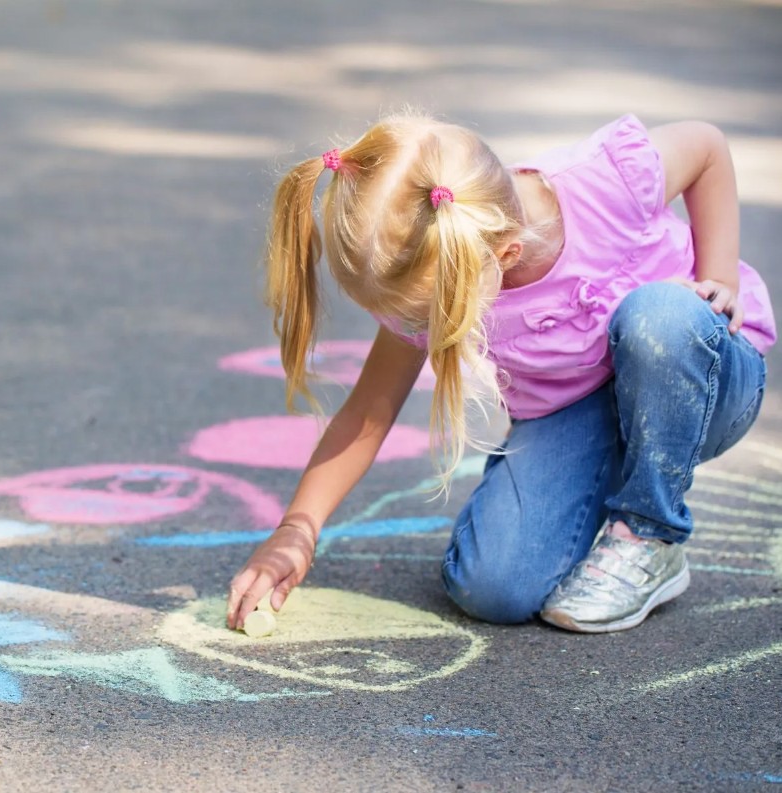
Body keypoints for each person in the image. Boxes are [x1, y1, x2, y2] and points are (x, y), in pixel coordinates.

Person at [225, 113, 774, 634]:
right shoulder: (442, 258)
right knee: (492, 589)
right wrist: (297, 528)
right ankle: (611, 491)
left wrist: (718, 278)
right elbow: (369, 411)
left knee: (660, 317)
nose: (421, 328)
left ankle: (651, 534)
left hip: (703, 381)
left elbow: (705, 146)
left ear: (505, 255)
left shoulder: (604, 184)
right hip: (578, 411)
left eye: (426, 315)